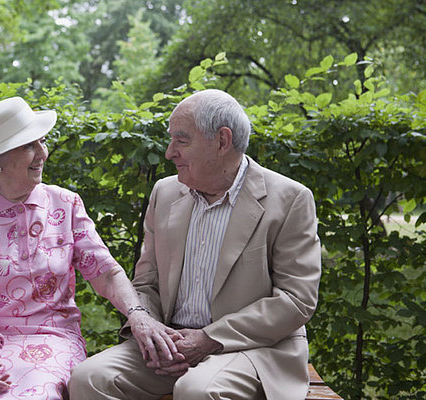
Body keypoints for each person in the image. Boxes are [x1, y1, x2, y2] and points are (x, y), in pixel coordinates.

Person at [0, 97, 178, 400]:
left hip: (55, 339)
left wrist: (138, 315)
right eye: (28, 146)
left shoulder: (65, 203)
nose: (43, 154)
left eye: (42, 142)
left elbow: (106, 273)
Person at [69, 89, 322, 400]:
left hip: (253, 348)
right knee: (89, 379)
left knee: (197, 391)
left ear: (222, 141)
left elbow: (297, 300)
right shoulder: (165, 192)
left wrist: (209, 338)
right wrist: (149, 327)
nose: (169, 152)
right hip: (173, 341)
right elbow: (146, 284)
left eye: (181, 140)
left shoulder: (290, 199)